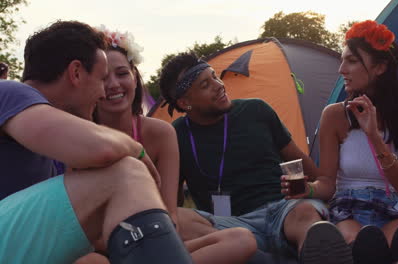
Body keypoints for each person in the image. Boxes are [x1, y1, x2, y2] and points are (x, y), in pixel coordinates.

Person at [0, 21, 192, 264]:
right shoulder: (9, 91)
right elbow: (101, 148)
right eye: (101, 78)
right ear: (76, 73)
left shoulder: (51, 146)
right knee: (125, 172)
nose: (103, 92)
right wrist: (138, 151)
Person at [75, 25, 256, 264]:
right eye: (103, 77)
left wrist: (151, 244)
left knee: (242, 239)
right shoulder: (79, 137)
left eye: (121, 73)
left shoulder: (160, 133)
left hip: (156, 239)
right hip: (107, 248)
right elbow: (81, 226)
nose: (113, 85)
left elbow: (169, 213)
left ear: (134, 77)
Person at [159, 52, 352, 264]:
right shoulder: (175, 136)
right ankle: (284, 257)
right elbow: (170, 203)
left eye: (215, 76)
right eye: (205, 84)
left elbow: (309, 171)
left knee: (305, 212)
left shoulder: (256, 111)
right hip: (230, 226)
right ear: (185, 102)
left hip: (283, 211)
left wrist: (313, 190)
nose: (218, 85)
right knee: (174, 217)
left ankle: (310, 250)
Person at [309, 20, 398, 264]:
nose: (341, 69)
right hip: (347, 205)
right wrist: (308, 189)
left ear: (380, 67)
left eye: (352, 61)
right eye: (342, 60)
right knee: (362, 243)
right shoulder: (334, 115)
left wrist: (374, 136)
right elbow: (327, 183)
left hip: (391, 206)